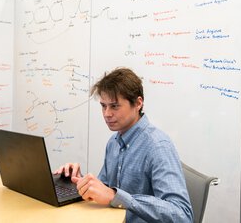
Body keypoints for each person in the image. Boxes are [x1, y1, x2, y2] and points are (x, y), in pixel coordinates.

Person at [54, 67, 193, 222]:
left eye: (114, 106)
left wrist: (117, 196)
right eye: (103, 106)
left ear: (138, 103)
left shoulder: (158, 146)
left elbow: (182, 215)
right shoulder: (113, 142)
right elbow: (105, 190)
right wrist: (80, 182)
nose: (107, 114)